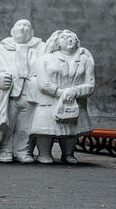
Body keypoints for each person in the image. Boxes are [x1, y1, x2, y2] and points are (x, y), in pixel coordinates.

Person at [0, 19, 46, 163]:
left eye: (26, 26)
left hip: (31, 94)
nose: (22, 28)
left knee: (26, 127)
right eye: (19, 25)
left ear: (32, 32)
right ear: (12, 31)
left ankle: (22, 151)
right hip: (8, 96)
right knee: (6, 124)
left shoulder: (43, 49)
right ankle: (4, 149)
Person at [31, 30, 95, 164]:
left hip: (74, 101)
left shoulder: (85, 60)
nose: (70, 40)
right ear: (57, 42)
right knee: (46, 129)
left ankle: (68, 154)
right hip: (49, 100)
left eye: (73, 38)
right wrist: (62, 93)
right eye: (65, 38)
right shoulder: (45, 59)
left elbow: (90, 84)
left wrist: (75, 91)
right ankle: (44, 153)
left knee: (71, 128)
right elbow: (43, 83)